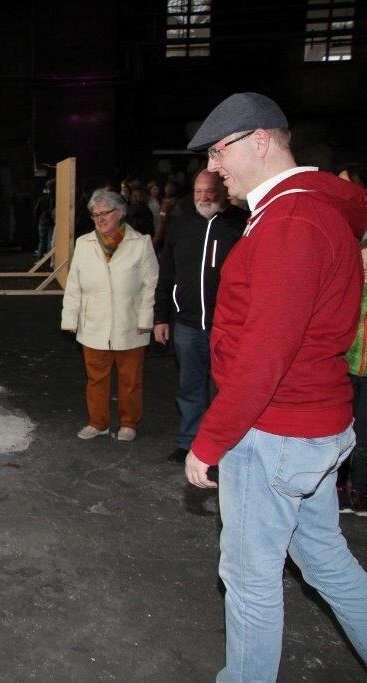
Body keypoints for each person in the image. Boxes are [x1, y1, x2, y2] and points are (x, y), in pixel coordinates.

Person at [183, 92, 367, 681]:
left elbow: (264, 355)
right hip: (311, 425)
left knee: (250, 578)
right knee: (324, 559)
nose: (214, 170)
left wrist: (209, 441)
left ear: (260, 139)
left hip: (275, 430)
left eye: (220, 151)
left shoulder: (291, 221)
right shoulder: (305, 209)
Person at [153, 169, 247, 463]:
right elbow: (166, 272)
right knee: (190, 387)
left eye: (209, 191)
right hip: (187, 326)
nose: (203, 197)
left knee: (226, 391)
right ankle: (189, 441)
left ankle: (223, 448)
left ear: (222, 191)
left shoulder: (241, 225)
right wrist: (161, 317)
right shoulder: (181, 226)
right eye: (198, 191)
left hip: (228, 328)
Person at [61, 188, 158, 442]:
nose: (100, 219)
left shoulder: (141, 243)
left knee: (130, 380)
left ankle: (129, 422)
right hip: (93, 324)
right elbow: (74, 285)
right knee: (95, 378)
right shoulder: (84, 244)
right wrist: (70, 320)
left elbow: (151, 285)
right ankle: (98, 422)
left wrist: (146, 319)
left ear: (121, 212)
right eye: (95, 215)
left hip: (130, 323)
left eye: (105, 213)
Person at [340, 236, 367, 515]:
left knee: (364, 436)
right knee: (341, 432)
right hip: (345, 372)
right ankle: (336, 488)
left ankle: (361, 489)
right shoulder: (346, 294)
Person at [34, 180, 55, 261]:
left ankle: (39, 258)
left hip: (42, 222)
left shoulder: (42, 199)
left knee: (42, 240)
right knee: (50, 241)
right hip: (50, 222)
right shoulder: (55, 199)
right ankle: (49, 259)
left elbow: (36, 211)